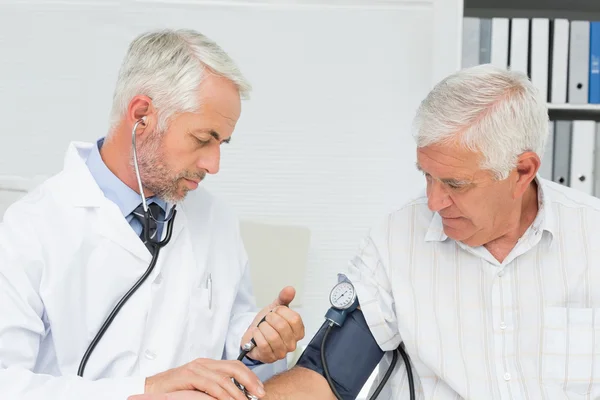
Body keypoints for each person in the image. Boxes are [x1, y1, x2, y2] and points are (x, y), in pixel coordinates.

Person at [261, 64, 600, 399]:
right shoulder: (396, 240)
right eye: (427, 175)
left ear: (522, 171)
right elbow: (326, 379)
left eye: (455, 184)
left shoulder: (592, 236)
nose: (434, 202)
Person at [0, 29, 305, 400]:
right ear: (141, 115)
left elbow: (233, 349)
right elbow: (7, 382)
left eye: (222, 143)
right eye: (202, 139)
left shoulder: (217, 220)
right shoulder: (29, 229)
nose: (214, 164)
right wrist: (143, 390)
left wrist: (259, 346)